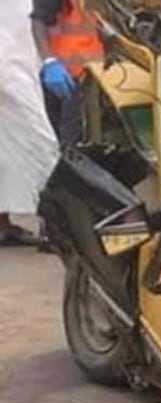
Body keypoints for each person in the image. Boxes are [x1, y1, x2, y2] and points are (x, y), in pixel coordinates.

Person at [0, 0, 60, 245]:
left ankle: (3, 225)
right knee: (42, 142)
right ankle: (55, 225)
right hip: (9, 69)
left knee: (7, 147)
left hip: (22, 62)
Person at [30, 0, 103, 146]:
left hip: (105, 77)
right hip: (69, 78)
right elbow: (39, 20)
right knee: (70, 143)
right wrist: (49, 61)